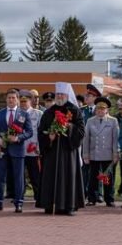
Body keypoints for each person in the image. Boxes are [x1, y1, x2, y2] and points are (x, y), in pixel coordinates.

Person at [38, 82, 84, 215]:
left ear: (67, 95)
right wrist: (49, 138)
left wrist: (68, 127)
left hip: (68, 152)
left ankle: (69, 205)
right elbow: (41, 131)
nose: (59, 97)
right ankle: (49, 204)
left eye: (61, 94)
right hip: (52, 153)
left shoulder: (74, 111)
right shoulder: (48, 112)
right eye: (57, 94)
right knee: (50, 177)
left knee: (68, 177)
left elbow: (81, 131)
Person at [82, 96, 119, 207]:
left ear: (107, 110)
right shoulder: (90, 121)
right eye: (98, 109)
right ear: (95, 110)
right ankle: (92, 198)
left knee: (107, 178)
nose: (100, 111)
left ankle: (109, 199)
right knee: (93, 178)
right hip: (94, 154)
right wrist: (85, 155)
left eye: (103, 109)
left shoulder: (113, 121)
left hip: (107, 154)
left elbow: (115, 139)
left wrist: (115, 153)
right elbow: (86, 139)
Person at [20, 90, 43, 208]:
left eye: (26, 101)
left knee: (35, 175)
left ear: (31, 101)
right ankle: (19, 196)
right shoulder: (17, 113)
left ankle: (38, 196)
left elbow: (41, 132)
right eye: (22, 101)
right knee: (20, 175)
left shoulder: (38, 114)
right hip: (19, 149)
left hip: (33, 149)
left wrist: (39, 147)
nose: (23, 103)